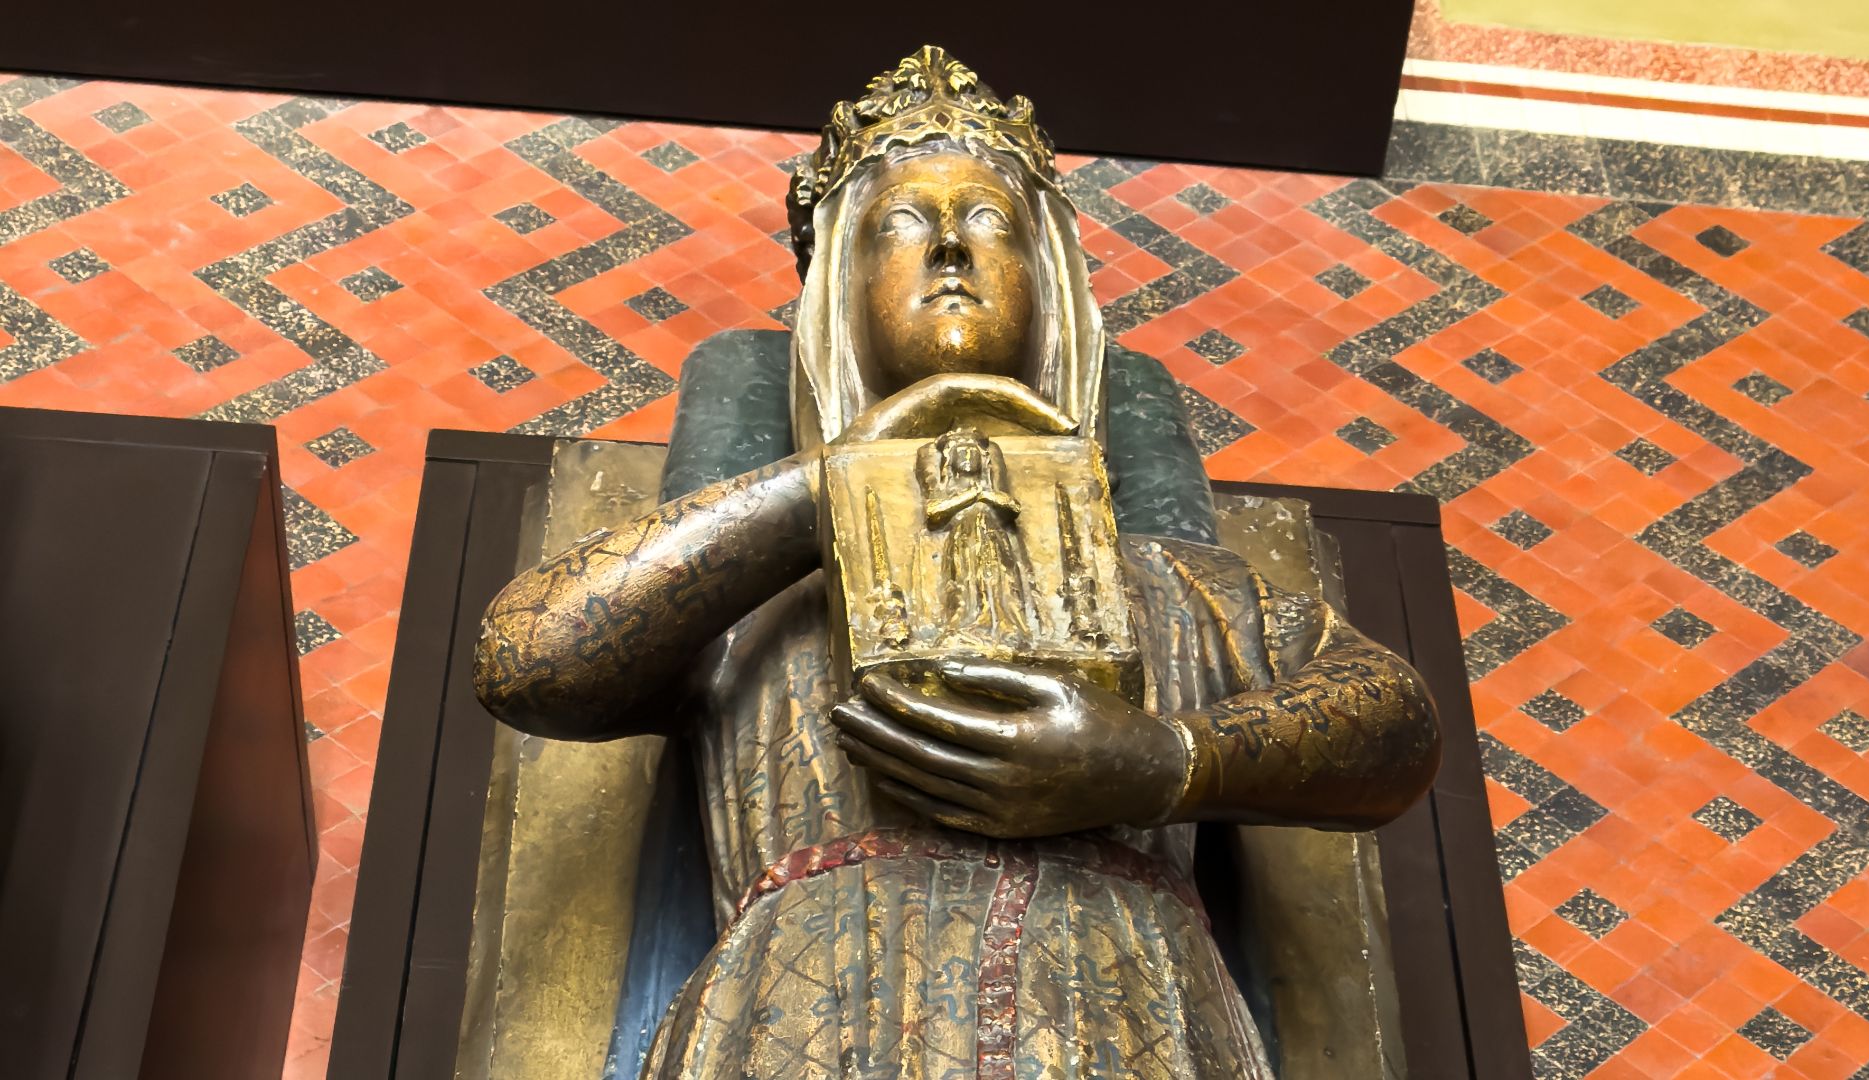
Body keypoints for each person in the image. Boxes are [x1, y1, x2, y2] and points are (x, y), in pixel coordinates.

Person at [474, 46, 1440, 1079]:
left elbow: (1391, 718)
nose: (947, 249)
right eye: (899, 225)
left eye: (989, 222)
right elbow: (527, 658)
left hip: (1122, 1006)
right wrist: (835, 482)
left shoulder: (1175, 581)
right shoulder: (751, 588)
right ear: (840, 287)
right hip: (807, 1017)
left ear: (1050, 281)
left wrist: (1162, 762)